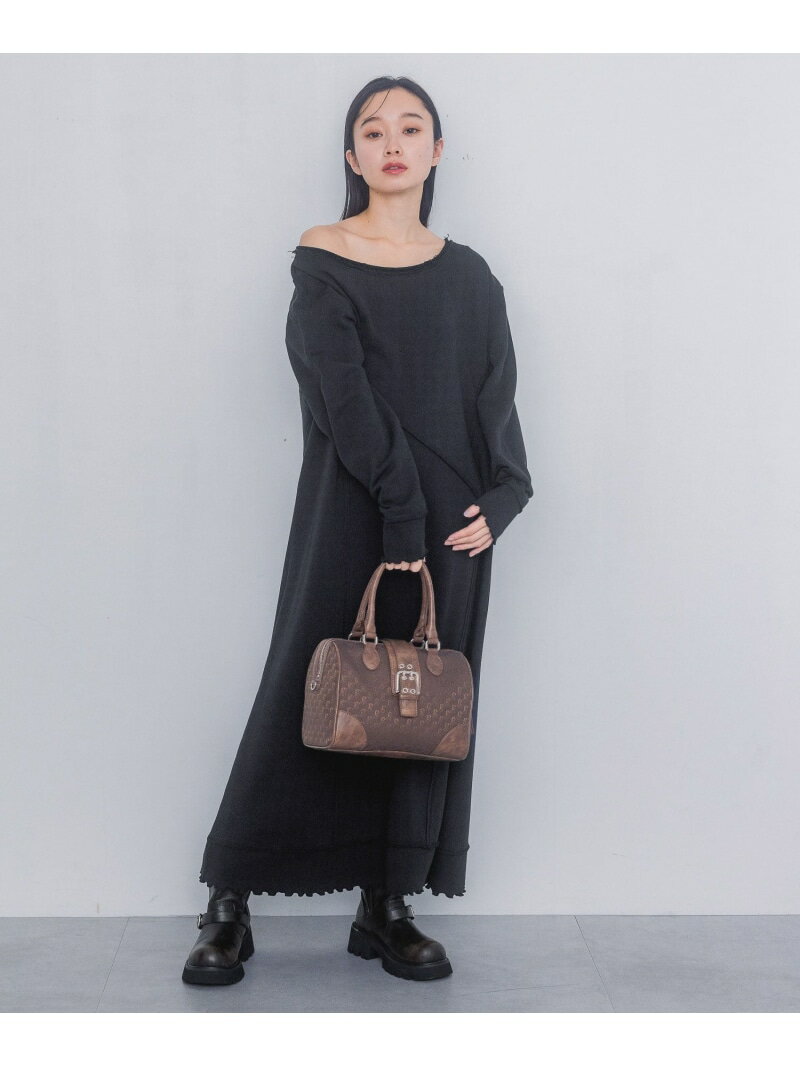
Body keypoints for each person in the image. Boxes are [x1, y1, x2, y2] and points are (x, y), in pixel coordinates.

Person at [182, 74, 533, 987]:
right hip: (353, 511)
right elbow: (342, 397)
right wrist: (400, 512)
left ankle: (387, 904)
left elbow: (495, 398)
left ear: (437, 151)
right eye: (373, 130)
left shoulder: (472, 275)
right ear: (352, 155)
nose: (393, 142)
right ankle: (229, 900)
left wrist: (503, 499)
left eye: (411, 128)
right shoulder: (323, 256)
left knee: (415, 711)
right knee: (302, 689)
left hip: (452, 534)